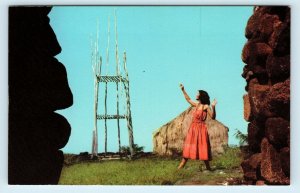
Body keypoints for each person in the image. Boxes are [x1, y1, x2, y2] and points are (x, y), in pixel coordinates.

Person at [177, 83, 217, 170]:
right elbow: (188, 99)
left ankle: (208, 168)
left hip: (201, 128)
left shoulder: (206, 106)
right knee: (188, 147)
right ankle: (180, 167)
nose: (196, 94)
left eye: (197, 93)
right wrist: (183, 90)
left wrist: (213, 107)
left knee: (203, 147)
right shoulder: (196, 105)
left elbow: (213, 117)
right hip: (193, 128)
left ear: (201, 96)